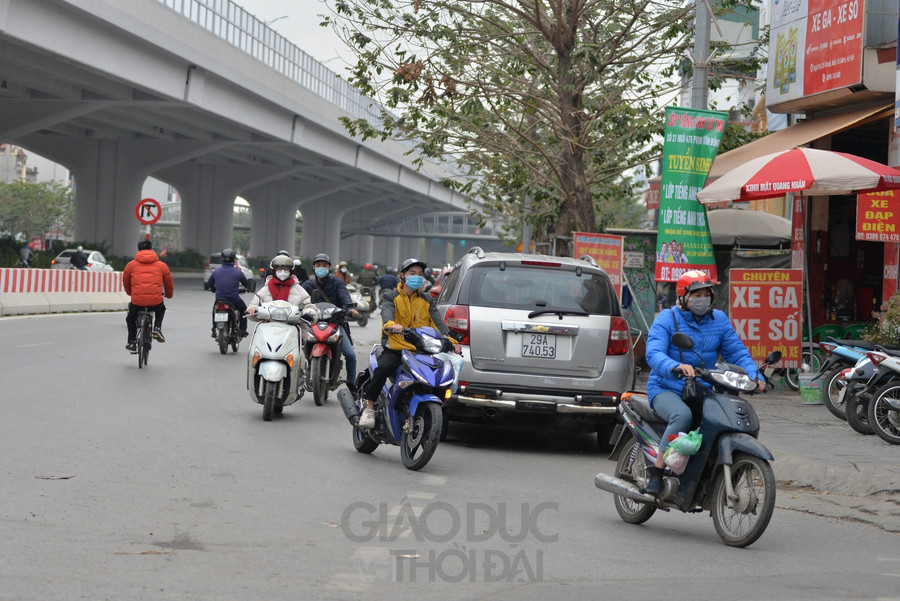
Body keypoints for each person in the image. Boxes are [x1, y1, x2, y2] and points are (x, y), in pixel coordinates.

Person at [643, 270, 764, 494]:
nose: (702, 299)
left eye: (706, 294)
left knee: (721, 419)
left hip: (702, 388)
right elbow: (653, 353)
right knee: (682, 415)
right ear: (683, 297)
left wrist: (755, 377)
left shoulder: (719, 320)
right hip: (666, 387)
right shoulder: (667, 319)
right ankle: (657, 472)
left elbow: (737, 353)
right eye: (696, 295)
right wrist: (674, 366)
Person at [358, 258, 460, 428]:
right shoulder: (391, 296)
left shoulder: (427, 300)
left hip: (422, 351)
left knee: (438, 376)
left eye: (420, 274)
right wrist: (392, 325)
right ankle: (369, 408)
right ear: (403, 276)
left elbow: (439, 324)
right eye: (412, 273)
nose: (417, 277)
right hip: (397, 347)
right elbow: (387, 315)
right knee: (383, 368)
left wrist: (451, 341)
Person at [302, 253, 358, 389]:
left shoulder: (337, 282)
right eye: (318, 265)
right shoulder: (308, 285)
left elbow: (344, 296)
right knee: (296, 351)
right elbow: (300, 299)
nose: (321, 268)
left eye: (324, 265)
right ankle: (297, 381)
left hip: (334, 323)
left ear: (329, 267)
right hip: (312, 324)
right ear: (314, 267)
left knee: (350, 355)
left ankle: (352, 386)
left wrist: (350, 308)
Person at [122, 239, 174, 352]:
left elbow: (126, 282)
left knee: (130, 318)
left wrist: (130, 293)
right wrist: (168, 295)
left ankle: (132, 342)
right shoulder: (162, 266)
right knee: (161, 309)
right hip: (155, 302)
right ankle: (157, 328)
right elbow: (168, 283)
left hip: (137, 302)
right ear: (151, 249)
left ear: (138, 250)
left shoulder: (130, 265)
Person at [208, 248, 250, 338]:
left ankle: (214, 329)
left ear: (222, 259)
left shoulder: (216, 272)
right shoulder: (238, 272)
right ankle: (243, 330)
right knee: (243, 309)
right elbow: (246, 284)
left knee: (215, 310)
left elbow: (210, 283)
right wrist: (247, 288)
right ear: (233, 259)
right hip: (234, 300)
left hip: (219, 300)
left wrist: (213, 289)